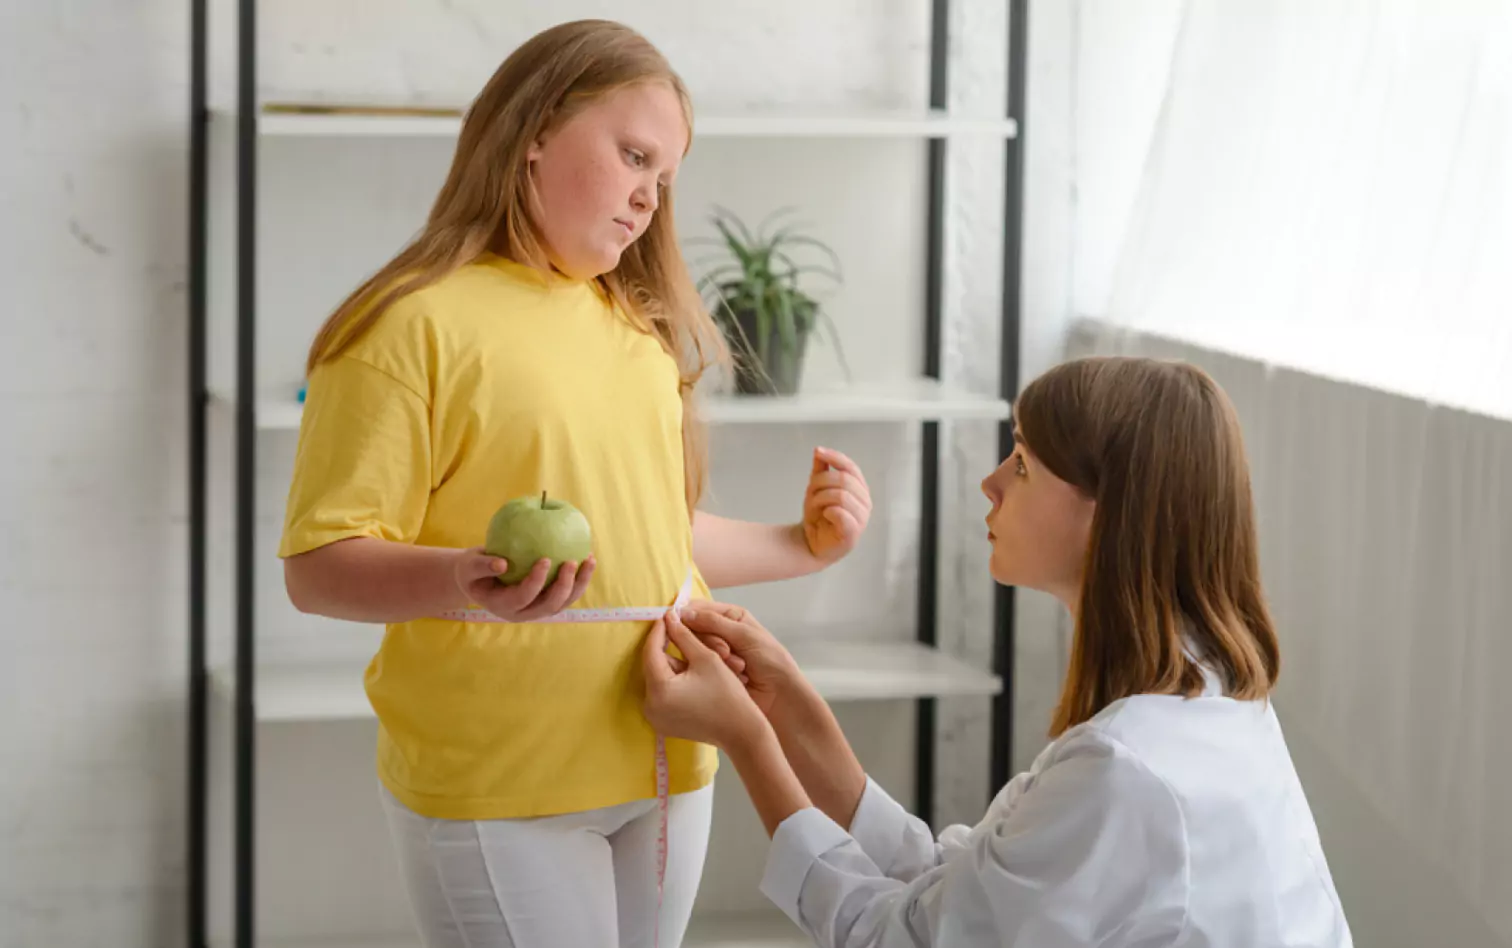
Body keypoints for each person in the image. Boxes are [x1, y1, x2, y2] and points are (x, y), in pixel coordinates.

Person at [277, 19, 873, 948]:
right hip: (502, 781)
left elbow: (653, 538)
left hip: (669, 763)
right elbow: (318, 568)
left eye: (664, 178)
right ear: (536, 131)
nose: (647, 198)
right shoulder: (405, 328)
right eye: (633, 155)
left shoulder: (631, 328)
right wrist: (461, 580)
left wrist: (802, 546)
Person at [643, 356, 1355, 947]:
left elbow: (900, 939)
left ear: (1102, 509)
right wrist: (790, 706)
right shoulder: (1213, 699)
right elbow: (958, 887)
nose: (990, 481)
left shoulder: (1124, 769)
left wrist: (746, 737)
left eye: (1021, 463)